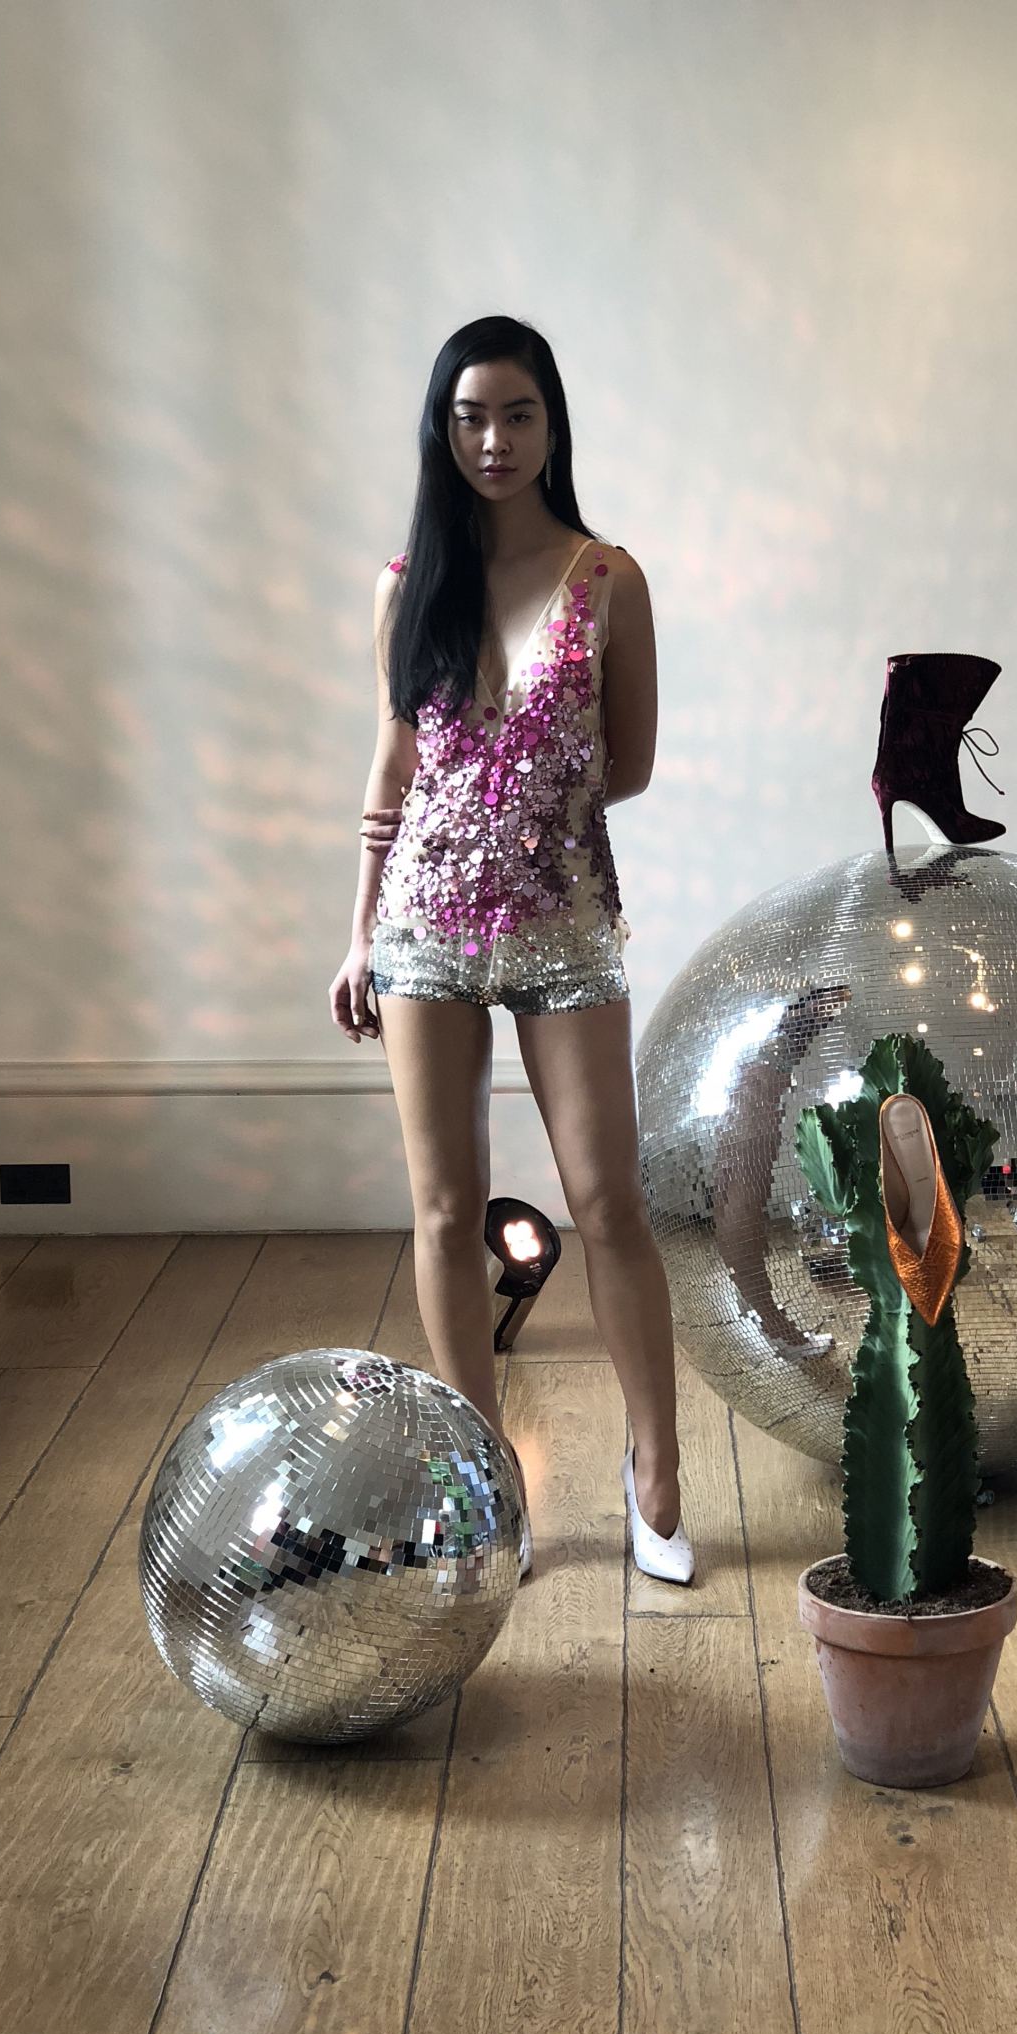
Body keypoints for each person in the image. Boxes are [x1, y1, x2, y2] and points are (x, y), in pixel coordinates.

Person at [328, 316, 694, 1588]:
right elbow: (390, 772)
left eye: (518, 414)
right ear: (443, 430)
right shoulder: (407, 584)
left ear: (552, 425)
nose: (494, 440)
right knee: (443, 1210)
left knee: (608, 1202)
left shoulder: (609, 577)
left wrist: (529, 801)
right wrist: (358, 935)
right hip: (421, 930)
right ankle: (485, 1485)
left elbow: (629, 763)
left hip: (564, 922)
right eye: (470, 416)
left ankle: (656, 1473)